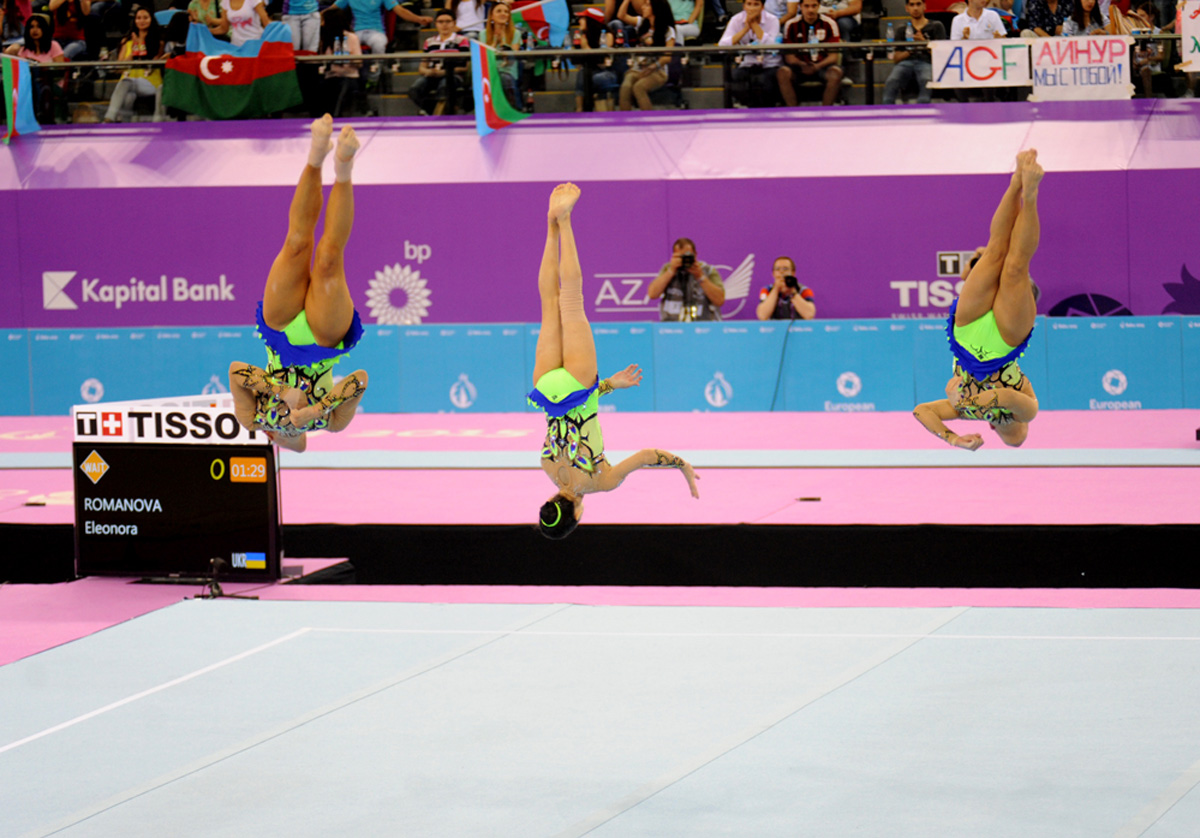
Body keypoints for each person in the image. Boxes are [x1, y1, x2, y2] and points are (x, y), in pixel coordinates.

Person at [531, 183, 699, 539]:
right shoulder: (545, 465)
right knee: (550, 303)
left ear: (577, 516)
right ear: (549, 500)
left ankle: (567, 221)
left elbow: (646, 455)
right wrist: (609, 384)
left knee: (571, 301)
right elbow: (567, 412)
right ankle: (551, 224)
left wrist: (681, 465)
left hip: (577, 384)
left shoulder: (600, 482)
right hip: (546, 389)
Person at [230, 116, 369, 454]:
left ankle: (316, 156)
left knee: (296, 244)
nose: (290, 433)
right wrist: (316, 410)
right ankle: (344, 168)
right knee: (328, 258)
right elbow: (360, 379)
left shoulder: (253, 420)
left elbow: (236, 372)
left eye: (283, 436)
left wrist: (282, 393)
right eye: (295, 437)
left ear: (272, 437)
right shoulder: (331, 423)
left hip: (279, 332)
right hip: (323, 343)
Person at [913, 149, 1043, 450]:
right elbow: (1007, 397)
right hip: (1004, 343)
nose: (1003, 423)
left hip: (966, 334)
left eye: (1000, 427)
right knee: (1014, 267)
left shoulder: (968, 411)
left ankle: (1014, 183)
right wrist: (967, 399)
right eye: (1011, 425)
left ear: (991, 428)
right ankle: (1030, 193)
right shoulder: (1028, 410)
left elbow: (922, 411)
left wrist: (953, 438)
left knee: (995, 251)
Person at [326, 0, 433, 84]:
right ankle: (351, 76)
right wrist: (319, 17)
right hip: (356, 31)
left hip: (375, 31)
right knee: (345, 42)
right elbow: (332, 9)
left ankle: (373, 79)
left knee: (379, 43)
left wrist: (418, 19)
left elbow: (400, 10)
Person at [103, 5, 164, 123]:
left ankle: (109, 119)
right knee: (128, 96)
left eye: (145, 18)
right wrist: (133, 50)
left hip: (150, 82)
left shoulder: (158, 40)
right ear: (134, 20)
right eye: (139, 18)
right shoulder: (127, 41)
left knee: (126, 84)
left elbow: (152, 64)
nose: (142, 21)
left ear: (151, 19)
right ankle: (113, 122)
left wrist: (140, 44)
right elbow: (120, 68)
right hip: (129, 82)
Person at [778, 0, 843, 108]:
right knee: (783, 72)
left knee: (836, 72)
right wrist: (802, 64)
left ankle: (826, 112)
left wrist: (817, 66)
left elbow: (833, 56)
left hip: (822, 66)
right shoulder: (791, 25)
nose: (810, 10)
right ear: (800, 7)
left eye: (814, 6)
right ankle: (793, 112)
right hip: (799, 67)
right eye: (806, 6)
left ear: (819, 6)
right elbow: (789, 57)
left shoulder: (830, 23)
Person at [718, 0, 781, 108]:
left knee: (766, 81)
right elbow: (722, 47)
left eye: (756, 4)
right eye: (749, 4)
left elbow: (772, 46)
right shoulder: (736, 20)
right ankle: (747, 110)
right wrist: (745, 29)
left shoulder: (773, 20)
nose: (752, 8)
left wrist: (755, 26)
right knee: (737, 76)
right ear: (744, 6)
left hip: (769, 63)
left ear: (762, 7)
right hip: (747, 63)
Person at [618, 0, 679, 110]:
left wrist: (653, 66)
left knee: (639, 87)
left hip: (657, 71)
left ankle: (648, 121)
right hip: (638, 69)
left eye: (647, 5)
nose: (643, 7)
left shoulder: (668, 30)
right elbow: (621, 15)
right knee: (626, 87)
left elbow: (667, 57)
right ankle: (625, 121)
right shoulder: (641, 23)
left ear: (656, 8)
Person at [408, 8, 471, 115]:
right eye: (440, 22)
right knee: (415, 89)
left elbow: (465, 67)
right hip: (432, 75)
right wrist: (427, 71)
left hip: (453, 75)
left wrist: (444, 72)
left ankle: (440, 115)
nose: (444, 25)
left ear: (454, 23)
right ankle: (432, 111)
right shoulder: (429, 41)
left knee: (444, 87)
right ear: (436, 24)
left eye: (448, 21)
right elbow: (422, 66)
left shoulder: (462, 40)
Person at [881, 0, 945, 104]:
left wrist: (924, 43)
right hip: (905, 63)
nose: (915, 8)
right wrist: (911, 49)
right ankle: (887, 112)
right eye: (912, 5)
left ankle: (922, 112)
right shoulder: (902, 29)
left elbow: (941, 56)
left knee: (926, 80)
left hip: (927, 63)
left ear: (924, 6)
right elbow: (896, 58)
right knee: (892, 81)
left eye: (918, 4)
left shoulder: (936, 26)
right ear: (907, 8)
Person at [647, 238, 725, 321]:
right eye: (680, 257)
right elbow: (652, 294)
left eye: (688, 256)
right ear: (673, 256)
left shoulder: (707, 270)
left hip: (704, 325)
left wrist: (700, 276)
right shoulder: (668, 269)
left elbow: (719, 300)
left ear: (695, 254)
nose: (685, 260)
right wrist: (671, 271)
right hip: (672, 327)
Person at [574, 6, 620, 111]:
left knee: (594, 78)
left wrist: (586, 47)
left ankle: (593, 106)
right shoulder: (584, 36)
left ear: (591, 21)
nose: (579, 21)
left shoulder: (607, 35)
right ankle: (580, 109)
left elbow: (602, 60)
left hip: (607, 71)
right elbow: (582, 60)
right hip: (591, 70)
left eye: (583, 18)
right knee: (582, 73)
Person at [317, 7, 361, 116]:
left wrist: (347, 56)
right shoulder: (324, 38)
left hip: (349, 77)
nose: (321, 24)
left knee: (342, 85)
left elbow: (359, 62)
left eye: (323, 21)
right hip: (330, 77)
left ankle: (335, 118)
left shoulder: (351, 37)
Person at [485, 1, 526, 111]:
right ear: (491, 16)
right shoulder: (483, 34)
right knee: (495, 78)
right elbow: (485, 57)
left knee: (504, 77)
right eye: (499, 11)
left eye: (506, 12)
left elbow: (512, 58)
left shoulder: (515, 33)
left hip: (508, 69)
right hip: (489, 71)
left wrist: (503, 43)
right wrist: (495, 42)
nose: (503, 14)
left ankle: (513, 110)